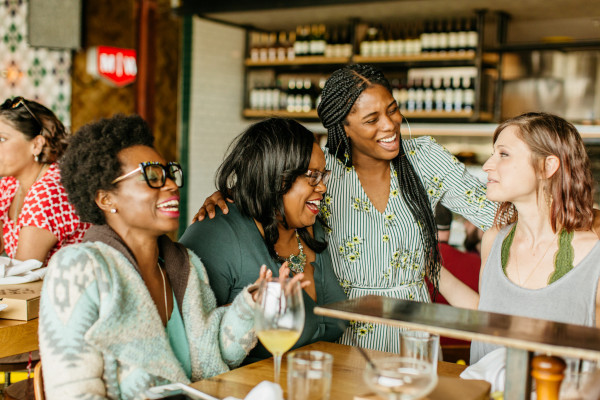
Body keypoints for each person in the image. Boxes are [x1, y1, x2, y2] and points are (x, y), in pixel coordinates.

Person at [194, 64, 498, 352]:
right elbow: (273, 187)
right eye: (371, 119)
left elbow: (499, 215)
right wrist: (226, 195)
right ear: (343, 126)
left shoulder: (425, 159)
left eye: (392, 109)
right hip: (345, 337)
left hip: (413, 332)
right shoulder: (325, 172)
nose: (389, 124)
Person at [38, 115, 287, 399]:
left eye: (170, 174)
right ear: (106, 199)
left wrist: (254, 303)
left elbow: (212, 357)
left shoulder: (185, 265)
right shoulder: (80, 269)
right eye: (152, 176)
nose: (170, 185)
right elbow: (75, 394)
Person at [180, 118, 347, 364]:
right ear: (274, 177)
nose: (322, 187)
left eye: (324, 175)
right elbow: (194, 344)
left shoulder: (313, 228)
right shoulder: (215, 235)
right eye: (312, 176)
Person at [439, 112, 600, 365]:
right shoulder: (494, 240)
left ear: (547, 166)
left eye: (503, 154)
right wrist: (430, 265)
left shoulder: (592, 257)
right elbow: (488, 315)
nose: (487, 165)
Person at [0, 97, 89, 263]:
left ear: (36, 145)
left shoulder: (50, 191)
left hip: (70, 287)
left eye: (1, 139)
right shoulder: (10, 183)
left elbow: (22, 274)